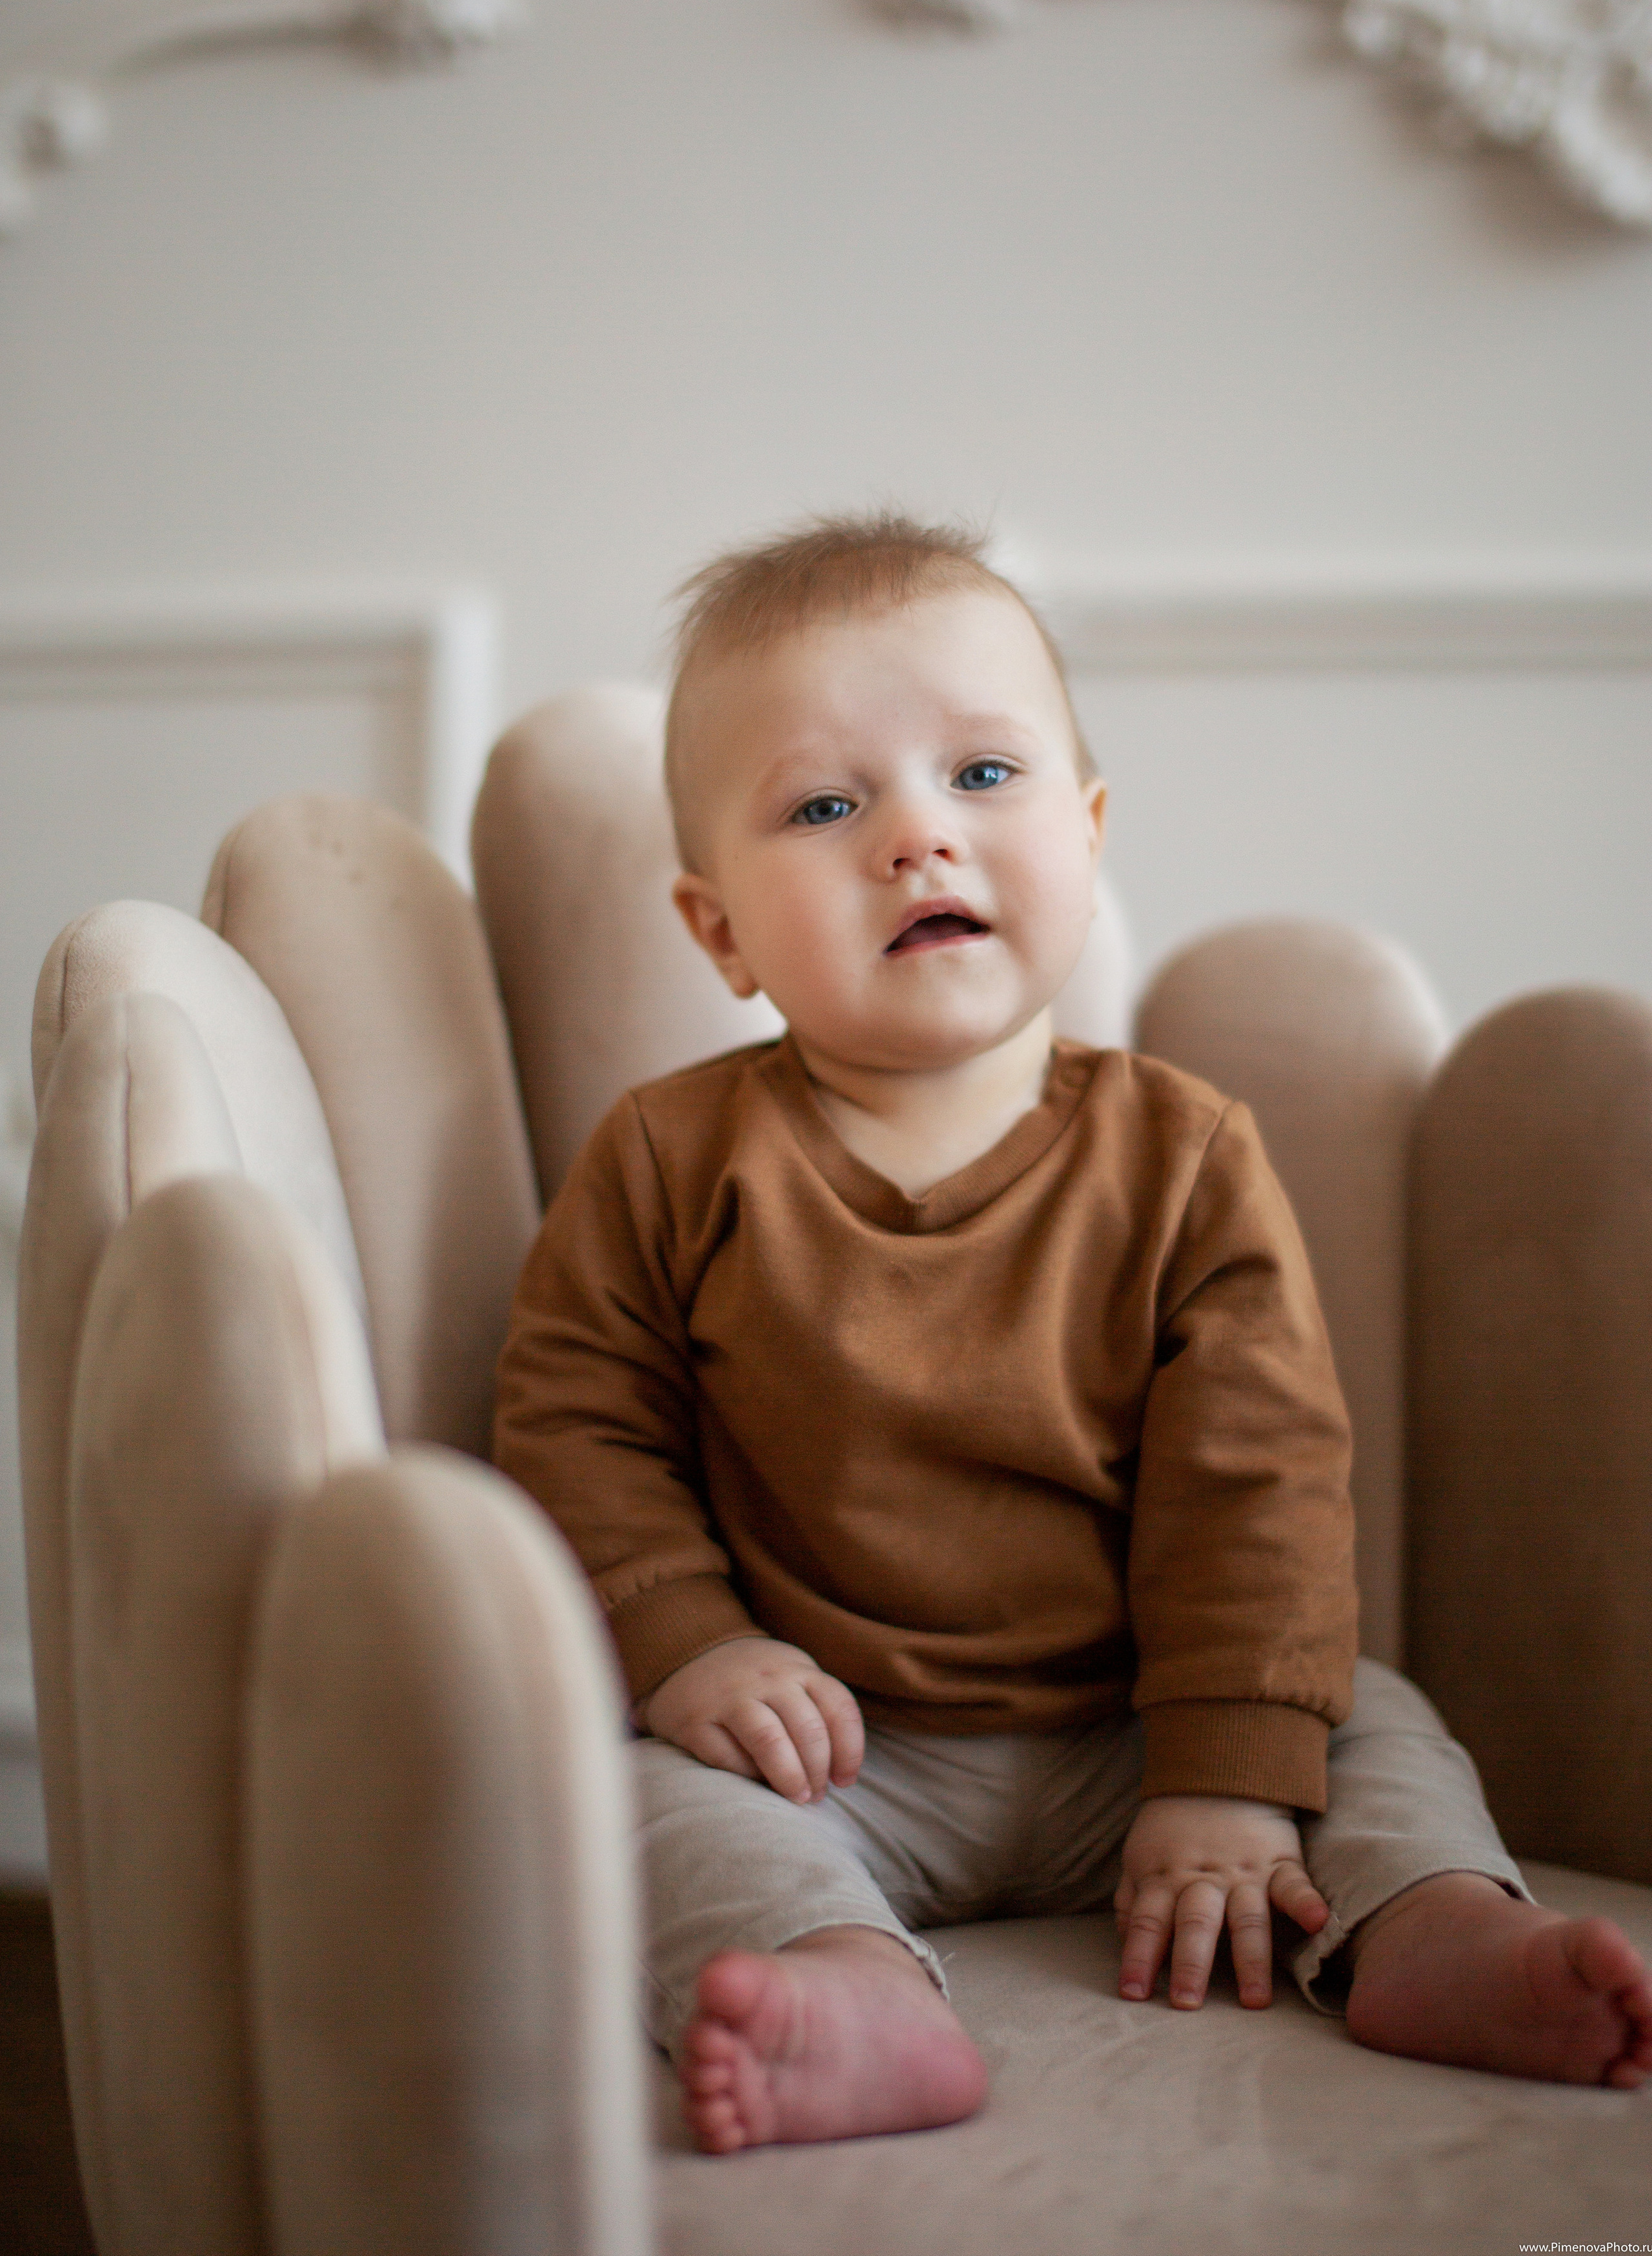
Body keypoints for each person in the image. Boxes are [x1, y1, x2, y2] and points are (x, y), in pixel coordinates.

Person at [494, 512, 1652, 2156]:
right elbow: (572, 1424)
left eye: (981, 777)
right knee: (633, 1802)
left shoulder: (1180, 1156)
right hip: (832, 1749)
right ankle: (845, 1995)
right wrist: (690, 1645)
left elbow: (1258, 1477)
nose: (916, 840)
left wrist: (1227, 1772)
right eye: (826, 808)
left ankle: (1439, 1938)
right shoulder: (672, 1161)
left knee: (1364, 1715)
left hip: (1140, 1727)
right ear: (720, 934)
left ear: (1087, 832)